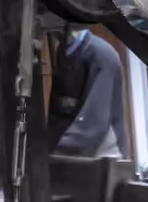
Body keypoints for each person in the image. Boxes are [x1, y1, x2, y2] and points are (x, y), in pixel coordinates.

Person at [48, 26, 129, 159]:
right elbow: (57, 114)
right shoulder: (63, 52)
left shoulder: (102, 55)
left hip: (105, 157)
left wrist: (53, 153)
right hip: (74, 157)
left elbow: (94, 125)